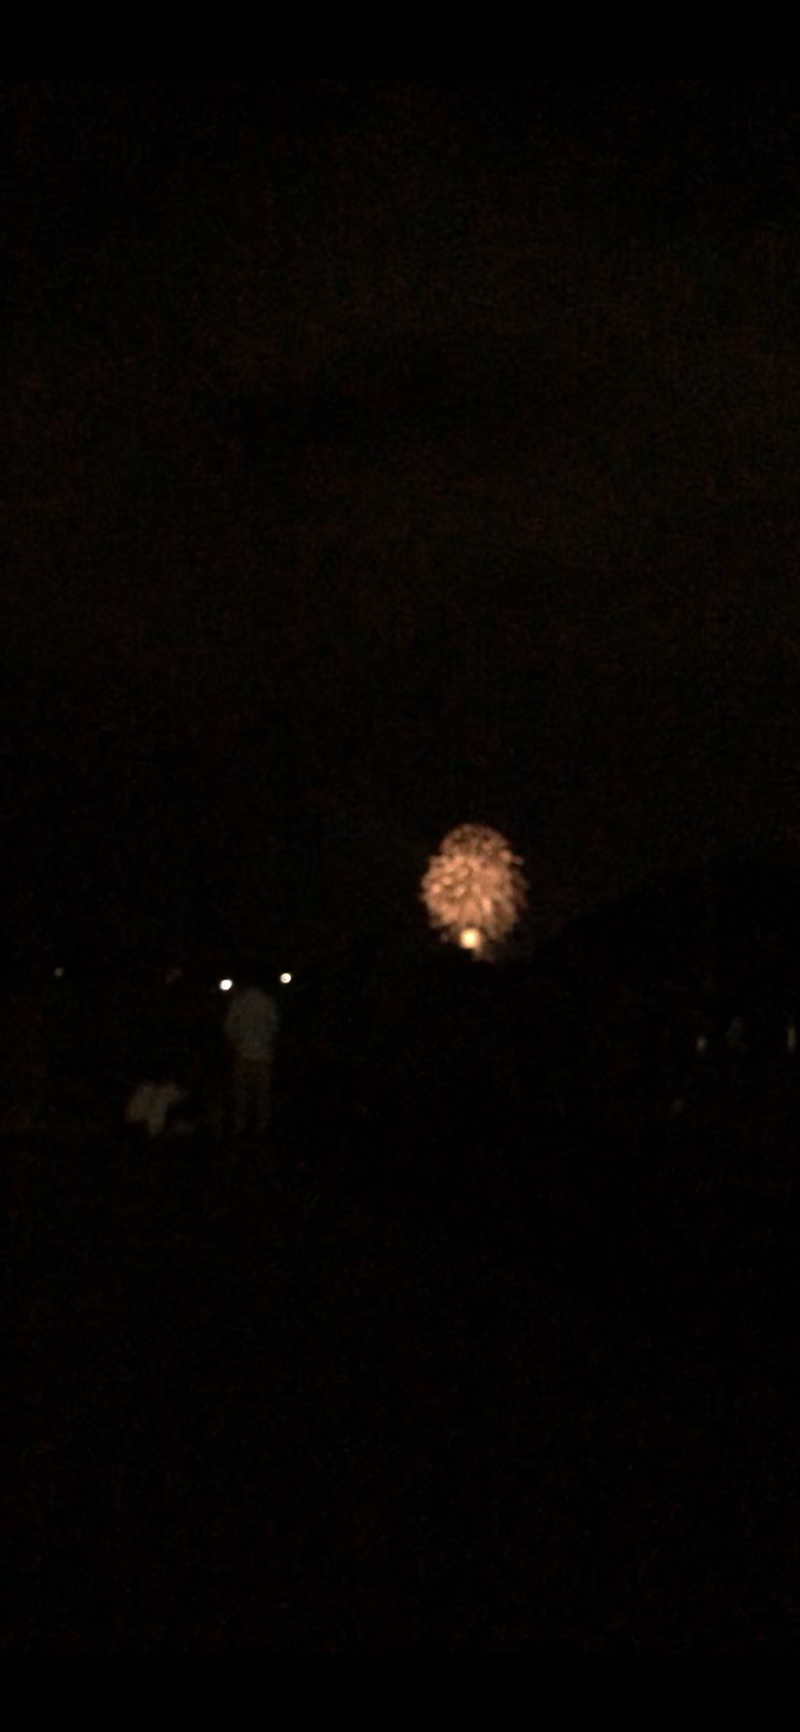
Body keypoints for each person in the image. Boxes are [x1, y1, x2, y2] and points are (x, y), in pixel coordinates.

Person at [223, 967, 279, 1138]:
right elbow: (275, 1027)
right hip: (263, 1056)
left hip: (243, 1054)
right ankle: (262, 1127)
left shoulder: (239, 1002)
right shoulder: (268, 1002)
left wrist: (237, 1042)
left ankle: (241, 1127)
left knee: (242, 1094)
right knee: (262, 1095)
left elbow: (228, 1027)